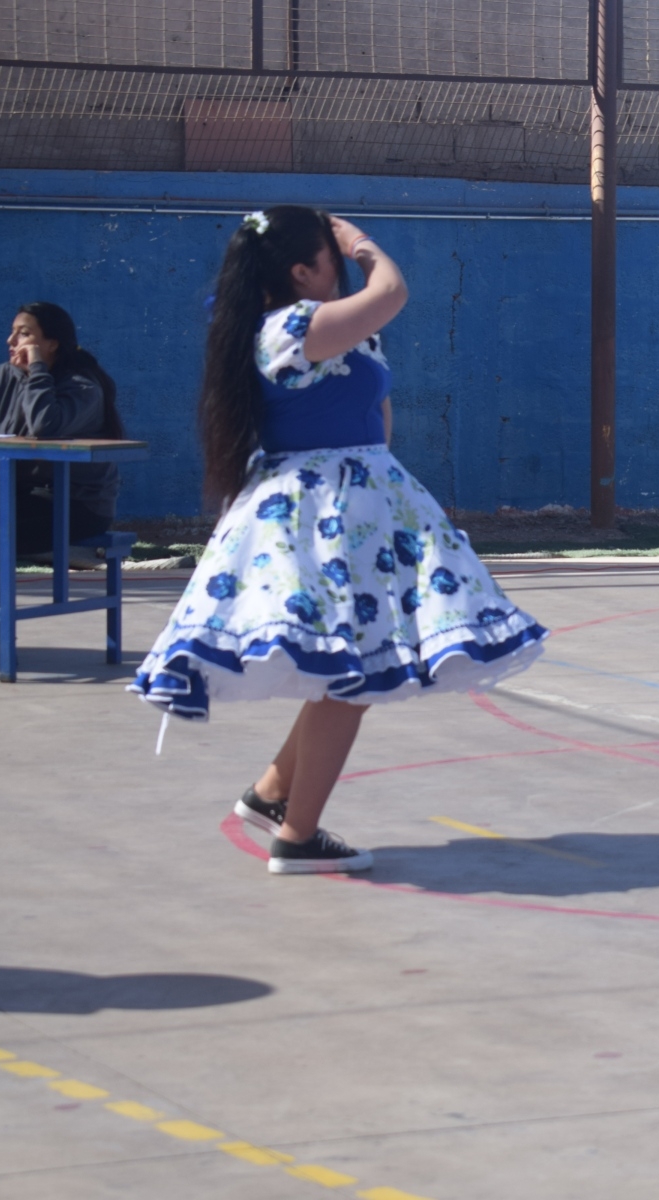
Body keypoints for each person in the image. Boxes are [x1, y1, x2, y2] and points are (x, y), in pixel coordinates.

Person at [129, 206, 547, 874]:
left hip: (352, 502)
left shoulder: (308, 325)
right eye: (329, 255)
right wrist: (363, 244)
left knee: (347, 666)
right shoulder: (294, 326)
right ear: (302, 271)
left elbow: (374, 405)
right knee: (352, 675)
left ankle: (273, 794)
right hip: (325, 510)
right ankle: (298, 836)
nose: (342, 262)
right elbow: (391, 292)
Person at [0, 302, 124, 671]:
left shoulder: (83, 386)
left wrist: (36, 369)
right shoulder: (3, 377)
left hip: (76, 505)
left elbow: (45, 426)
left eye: (24, 334)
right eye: (13, 332)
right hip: (21, 494)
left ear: (52, 344)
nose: (11, 340)